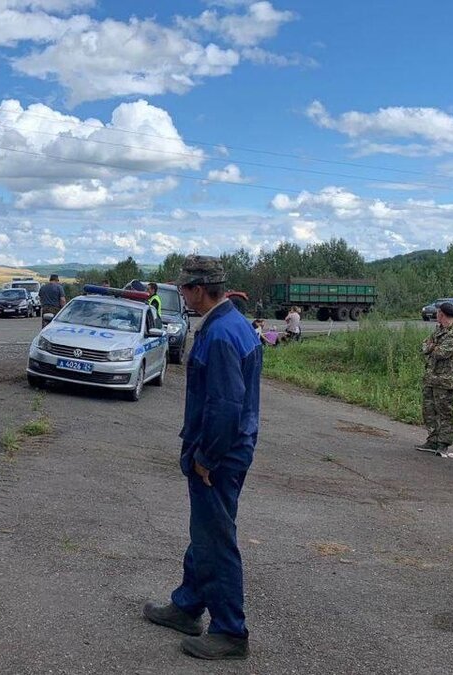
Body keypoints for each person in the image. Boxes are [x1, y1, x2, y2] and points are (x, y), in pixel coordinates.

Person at [143, 255, 261, 661]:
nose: (183, 297)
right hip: (225, 448)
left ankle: (231, 631)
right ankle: (189, 604)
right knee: (206, 531)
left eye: (184, 290)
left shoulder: (222, 334)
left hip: (220, 454)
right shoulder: (232, 324)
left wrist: (207, 458)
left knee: (216, 539)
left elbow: (226, 406)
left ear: (197, 290)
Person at [415, 302, 453, 456]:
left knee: (444, 412)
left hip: (445, 380)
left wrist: (432, 346)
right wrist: (431, 346)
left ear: (442, 314)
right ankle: (433, 439)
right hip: (431, 377)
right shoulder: (439, 330)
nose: (436, 315)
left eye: (437, 313)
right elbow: (424, 346)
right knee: (429, 410)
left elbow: (441, 353)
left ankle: (443, 442)